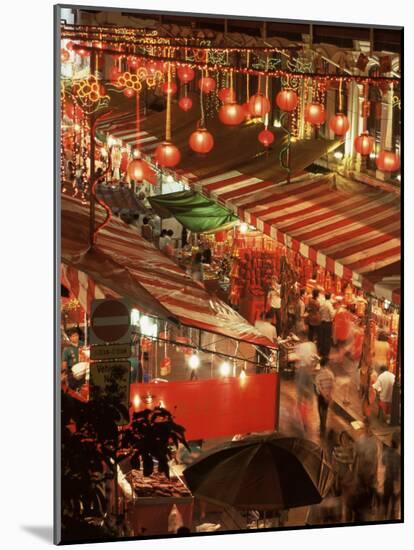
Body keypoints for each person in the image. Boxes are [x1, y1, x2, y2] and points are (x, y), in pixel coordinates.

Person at [314, 358, 335, 437]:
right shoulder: (331, 374)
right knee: (325, 410)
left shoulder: (319, 375)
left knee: (320, 409)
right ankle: (324, 423)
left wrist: (323, 395)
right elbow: (333, 386)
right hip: (328, 395)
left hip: (321, 396)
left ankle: (322, 424)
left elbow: (319, 387)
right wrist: (329, 395)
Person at [319, 292, 336, 359]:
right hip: (327, 323)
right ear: (330, 297)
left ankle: (321, 351)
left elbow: (319, 311)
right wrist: (335, 311)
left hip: (322, 322)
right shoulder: (329, 305)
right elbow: (332, 315)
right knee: (327, 338)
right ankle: (326, 353)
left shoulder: (322, 303)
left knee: (322, 337)